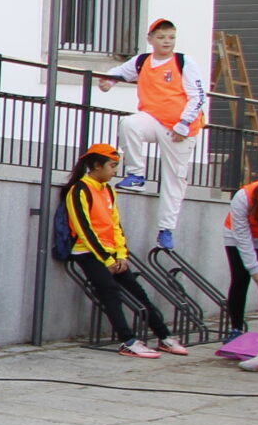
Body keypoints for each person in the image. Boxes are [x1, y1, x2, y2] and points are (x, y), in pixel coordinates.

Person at [62, 143, 183, 358]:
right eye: (112, 166)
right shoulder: (79, 190)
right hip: (88, 252)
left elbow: (115, 224)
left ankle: (164, 337)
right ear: (97, 165)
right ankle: (128, 341)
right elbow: (84, 229)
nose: (115, 171)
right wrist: (107, 260)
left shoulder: (108, 190)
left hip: (112, 254)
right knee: (110, 292)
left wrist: (121, 254)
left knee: (139, 293)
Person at [96, 19, 209, 248]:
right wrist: (108, 81)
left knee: (173, 179)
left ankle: (166, 228)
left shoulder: (183, 62)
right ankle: (136, 174)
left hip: (180, 128)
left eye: (171, 37)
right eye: (161, 37)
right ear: (150, 39)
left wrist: (184, 124)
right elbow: (120, 72)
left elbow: (198, 96)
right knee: (129, 124)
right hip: (154, 118)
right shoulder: (142, 61)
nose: (167, 42)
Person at [227, 176, 257, 336]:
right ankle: (236, 330)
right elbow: (243, 239)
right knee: (240, 278)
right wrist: (255, 271)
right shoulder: (243, 197)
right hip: (236, 236)